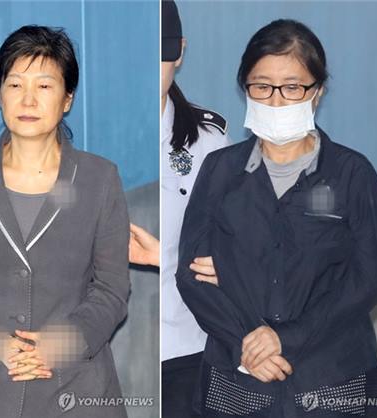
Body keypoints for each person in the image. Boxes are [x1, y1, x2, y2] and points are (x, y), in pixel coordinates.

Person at [176, 19, 377, 417]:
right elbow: (191, 276)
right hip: (240, 378)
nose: (276, 101)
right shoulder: (220, 170)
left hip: (333, 380)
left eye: (292, 87)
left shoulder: (352, 174)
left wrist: (283, 338)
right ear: (245, 89)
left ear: (317, 91)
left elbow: (367, 280)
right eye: (262, 86)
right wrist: (247, 345)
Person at [0, 25, 130, 418]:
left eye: (44, 86)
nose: (27, 99)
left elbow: (112, 288)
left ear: (67, 98)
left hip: (75, 389)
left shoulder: (99, 178)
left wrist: (61, 344)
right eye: (15, 84)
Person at [158, 1, 232, 417]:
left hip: (189, 344)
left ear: (179, 51)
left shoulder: (208, 141)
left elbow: (234, 239)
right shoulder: (88, 136)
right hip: (110, 345)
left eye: (161, 52)